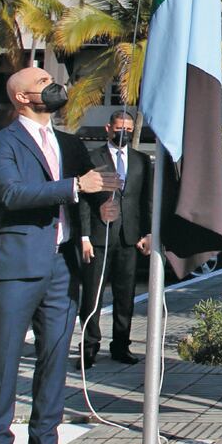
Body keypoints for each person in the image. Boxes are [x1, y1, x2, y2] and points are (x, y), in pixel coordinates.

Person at [0, 67, 119, 444]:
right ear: (22, 97)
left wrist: (107, 193)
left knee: (55, 356)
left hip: (62, 263)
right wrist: (75, 186)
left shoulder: (71, 144)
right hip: (15, 265)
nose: (53, 84)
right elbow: (11, 194)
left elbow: (92, 192)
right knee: (2, 360)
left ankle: (44, 440)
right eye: (42, 81)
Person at [78, 111, 152, 367]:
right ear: (109, 128)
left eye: (129, 130)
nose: (124, 133)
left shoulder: (141, 160)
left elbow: (146, 200)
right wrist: (84, 236)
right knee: (93, 295)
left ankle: (121, 345)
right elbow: (84, 202)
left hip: (129, 237)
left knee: (125, 294)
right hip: (99, 236)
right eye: (120, 128)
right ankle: (89, 347)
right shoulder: (92, 157)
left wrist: (147, 233)